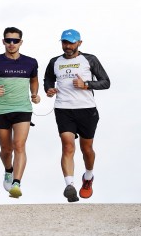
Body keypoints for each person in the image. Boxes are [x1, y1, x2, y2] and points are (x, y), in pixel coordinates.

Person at [43, 29, 110, 202]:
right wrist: (49, 90)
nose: (68, 46)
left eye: (71, 43)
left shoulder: (90, 59)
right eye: (65, 42)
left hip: (87, 109)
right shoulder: (54, 62)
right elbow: (48, 80)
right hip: (63, 109)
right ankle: (69, 185)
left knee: (86, 149)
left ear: (79, 43)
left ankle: (88, 177)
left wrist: (86, 84)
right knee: (67, 146)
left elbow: (106, 82)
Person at [0, 27, 41, 198]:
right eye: (8, 40)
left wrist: (34, 94)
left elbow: (34, 80)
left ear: (21, 42)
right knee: (6, 149)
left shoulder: (30, 62)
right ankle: (8, 170)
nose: (11, 44)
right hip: (1, 110)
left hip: (22, 109)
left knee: (19, 145)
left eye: (15, 41)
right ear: (3, 41)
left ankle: (17, 184)